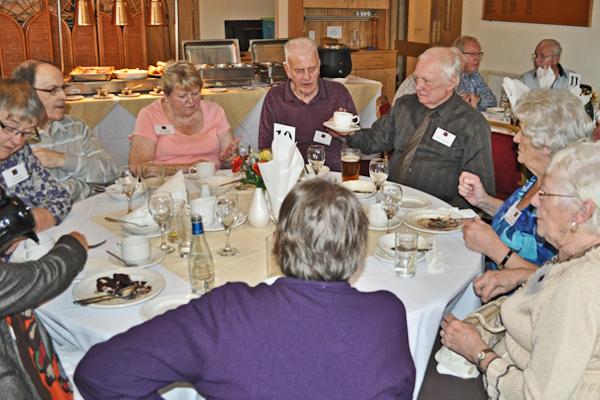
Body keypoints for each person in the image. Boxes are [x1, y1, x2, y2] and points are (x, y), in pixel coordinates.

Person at [74, 179, 416, 399]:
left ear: (279, 245)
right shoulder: (387, 313)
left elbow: (100, 375)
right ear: (359, 254)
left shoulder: (226, 313)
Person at [438, 141, 600, 399]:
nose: (534, 200)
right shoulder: (579, 252)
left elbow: (534, 395)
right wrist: (523, 275)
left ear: (582, 212)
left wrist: (477, 352)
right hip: (507, 353)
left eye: (545, 193)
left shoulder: (580, 287)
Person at [458, 89, 593, 299]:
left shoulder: (565, 202)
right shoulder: (538, 178)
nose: (515, 138)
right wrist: (484, 201)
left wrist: (496, 250)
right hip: (487, 281)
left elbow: (559, 281)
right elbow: (519, 219)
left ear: (546, 145)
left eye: (522, 131)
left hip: (520, 305)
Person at [337, 47, 495, 208]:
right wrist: (349, 131)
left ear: (451, 82)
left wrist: (447, 217)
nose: (418, 86)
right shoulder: (405, 105)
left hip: (438, 211)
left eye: (427, 80)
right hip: (392, 200)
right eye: (416, 78)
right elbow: (373, 141)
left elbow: (480, 189)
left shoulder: (471, 124)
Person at [12, 60, 118, 201]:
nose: (63, 96)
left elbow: (110, 172)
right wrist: (85, 186)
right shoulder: (12, 137)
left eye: (63, 88)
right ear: (26, 93)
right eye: (52, 90)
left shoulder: (76, 126)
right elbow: (27, 198)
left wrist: (62, 160)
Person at [258, 37, 357, 172]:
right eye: (299, 71)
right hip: (290, 176)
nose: (307, 77)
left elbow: (357, 143)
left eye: (312, 69)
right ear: (287, 70)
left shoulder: (338, 93)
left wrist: (342, 134)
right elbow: (265, 149)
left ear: (319, 64)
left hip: (332, 175)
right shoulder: (275, 98)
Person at [129, 60, 236, 169]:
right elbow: (138, 167)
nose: (191, 101)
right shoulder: (150, 115)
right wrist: (188, 168)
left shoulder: (215, 112)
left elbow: (231, 160)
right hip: (166, 181)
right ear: (166, 96)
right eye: (182, 96)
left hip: (210, 181)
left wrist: (228, 159)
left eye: (195, 94)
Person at [0, 79, 71, 231]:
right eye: (10, 128)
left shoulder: (20, 152)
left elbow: (60, 197)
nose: (17, 140)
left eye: (26, 133)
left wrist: (35, 221)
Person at [452, 36, 497, 111]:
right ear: (458, 55)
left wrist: (478, 99)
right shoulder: (449, 75)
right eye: (472, 54)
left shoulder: (474, 74)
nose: (477, 58)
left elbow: (492, 102)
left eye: (479, 54)